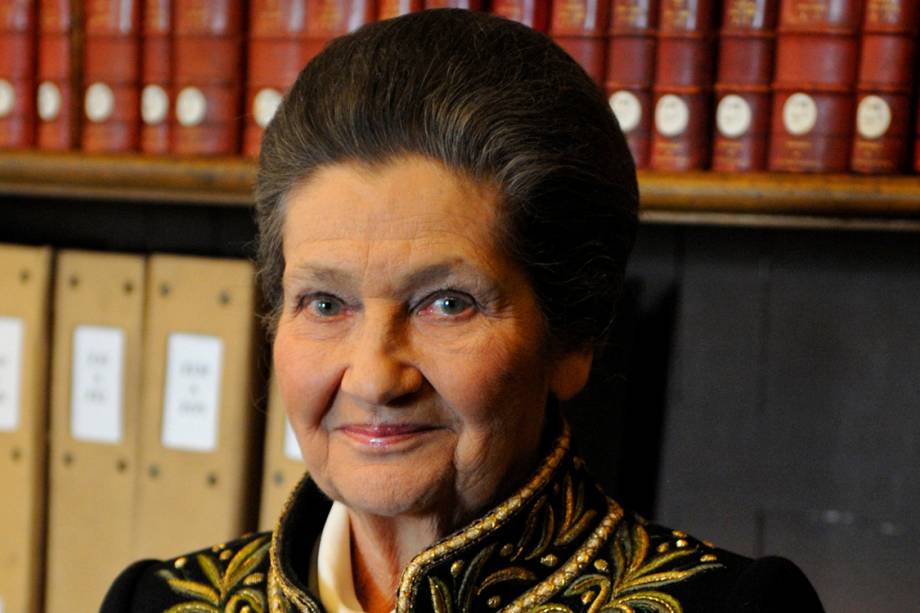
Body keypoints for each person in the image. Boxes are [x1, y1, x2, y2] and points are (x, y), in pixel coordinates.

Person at [102, 9, 824, 613]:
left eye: (447, 303)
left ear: (571, 338)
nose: (376, 377)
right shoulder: (158, 601)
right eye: (325, 302)